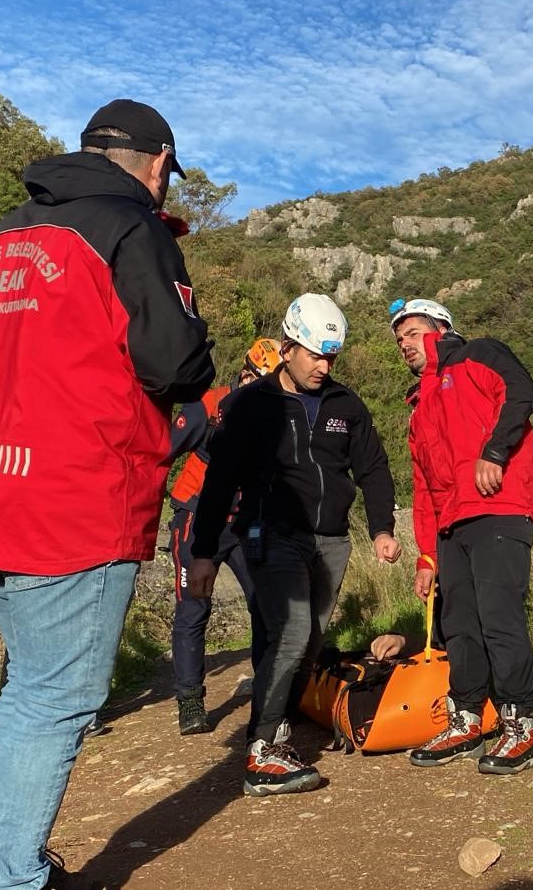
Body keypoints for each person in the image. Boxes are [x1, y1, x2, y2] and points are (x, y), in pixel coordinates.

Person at [0, 99, 214, 889]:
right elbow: (177, 365)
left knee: (31, 687)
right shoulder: (131, 229)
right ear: (159, 164)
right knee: (57, 697)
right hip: (72, 495)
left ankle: (8, 863)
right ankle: (10, 876)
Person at [187, 293, 401, 796]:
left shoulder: (346, 405)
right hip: (271, 532)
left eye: (332, 357)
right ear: (288, 348)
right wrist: (202, 552)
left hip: (330, 541)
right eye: (315, 355)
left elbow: (372, 468)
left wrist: (382, 528)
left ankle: (277, 722)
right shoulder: (251, 404)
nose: (324, 366)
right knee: (292, 627)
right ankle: (261, 749)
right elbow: (220, 480)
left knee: (306, 641)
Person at [389, 298, 533, 775]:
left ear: (440, 327)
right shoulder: (419, 405)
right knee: (460, 625)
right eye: (399, 340)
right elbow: (423, 487)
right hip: (451, 524)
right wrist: (426, 556)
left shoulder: (480, 354)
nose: (405, 346)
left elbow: (521, 391)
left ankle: (520, 724)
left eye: (412, 333)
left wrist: (494, 452)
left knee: (500, 617)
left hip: (500, 506)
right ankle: (467, 718)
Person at [164, 338, 282, 735]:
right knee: (194, 606)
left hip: (245, 519)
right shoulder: (209, 406)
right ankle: (189, 700)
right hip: (197, 515)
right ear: (246, 374)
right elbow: (162, 450)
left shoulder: (276, 411)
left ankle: (270, 690)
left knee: (264, 603)